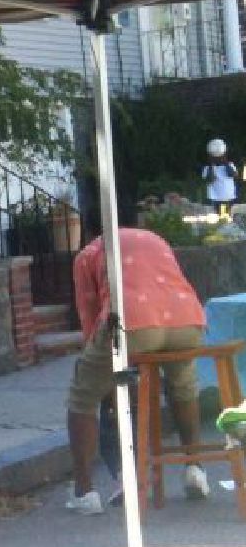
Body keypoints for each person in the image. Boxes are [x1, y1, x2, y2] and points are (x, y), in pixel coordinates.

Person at [64, 227, 208, 514]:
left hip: (134, 320)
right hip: (186, 318)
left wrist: (99, 363)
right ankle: (194, 468)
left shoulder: (88, 254)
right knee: (183, 385)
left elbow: (89, 315)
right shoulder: (155, 238)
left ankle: (84, 491)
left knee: (83, 396)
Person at [201, 138, 239, 220]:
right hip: (214, 198)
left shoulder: (230, 165)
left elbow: (233, 175)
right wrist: (212, 165)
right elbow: (210, 179)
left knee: (227, 218)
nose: (218, 158)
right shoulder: (207, 168)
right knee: (216, 219)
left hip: (228, 197)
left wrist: (225, 162)